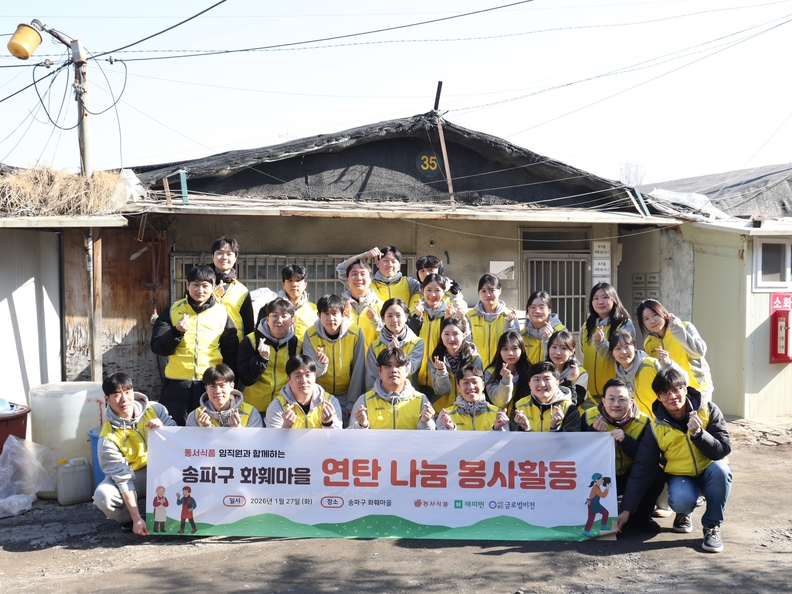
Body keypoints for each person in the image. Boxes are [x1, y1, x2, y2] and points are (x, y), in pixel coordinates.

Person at [617, 367, 732, 553]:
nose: (672, 396)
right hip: (681, 476)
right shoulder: (656, 427)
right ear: (658, 397)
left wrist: (699, 434)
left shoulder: (708, 410)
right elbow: (642, 468)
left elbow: (723, 449)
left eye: (676, 389)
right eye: (664, 392)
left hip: (710, 469)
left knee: (721, 471)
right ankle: (683, 512)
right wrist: (626, 510)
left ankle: (712, 526)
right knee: (680, 500)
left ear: (685, 389)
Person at [151, 264, 239, 425]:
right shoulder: (172, 311)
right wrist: (176, 332)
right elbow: (158, 347)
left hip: (210, 385)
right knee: (174, 429)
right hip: (176, 383)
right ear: (187, 285)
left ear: (213, 287)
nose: (200, 290)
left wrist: (227, 383)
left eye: (205, 286)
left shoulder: (222, 313)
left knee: (207, 430)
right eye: (195, 285)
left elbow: (231, 352)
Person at [93, 372, 177, 535]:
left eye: (127, 392)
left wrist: (164, 428)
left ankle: (173, 513)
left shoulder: (155, 409)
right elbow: (123, 479)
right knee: (103, 496)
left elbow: (179, 440)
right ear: (107, 399)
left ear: (133, 391)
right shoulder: (107, 438)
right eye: (117, 394)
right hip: (134, 476)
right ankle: (134, 519)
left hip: (162, 468)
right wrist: (136, 518)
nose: (124, 399)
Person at [582, 378, 663, 533]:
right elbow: (579, 453)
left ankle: (641, 516)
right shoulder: (588, 417)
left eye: (622, 399)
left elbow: (646, 459)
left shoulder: (644, 421)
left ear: (631, 401)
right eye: (611, 399)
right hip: (601, 477)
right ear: (603, 401)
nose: (616, 404)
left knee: (656, 474)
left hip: (630, 474)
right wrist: (592, 433)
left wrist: (626, 441)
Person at [301, 294, 366, 422]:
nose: (330, 318)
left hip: (347, 394)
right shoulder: (310, 334)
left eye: (335, 313)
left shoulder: (356, 333)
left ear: (343, 314)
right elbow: (309, 372)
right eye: (326, 313)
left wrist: (352, 401)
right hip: (320, 395)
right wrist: (319, 365)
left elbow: (358, 369)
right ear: (318, 315)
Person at [638, 299, 713, 401]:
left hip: (698, 389)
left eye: (655, 314)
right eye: (646, 319)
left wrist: (677, 329)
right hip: (674, 393)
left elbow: (699, 352)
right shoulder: (649, 343)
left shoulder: (684, 327)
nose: (652, 321)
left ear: (664, 313)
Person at [237, 298, 298, 417]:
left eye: (284, 316)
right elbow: (246, 379)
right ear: (267, 319)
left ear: (292, 321)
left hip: (283, 409)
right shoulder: (250, 341)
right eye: (274, 316)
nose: (279, 320)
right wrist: (262, 359)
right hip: (252, 409)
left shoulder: (296, 344)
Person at [349, 347, 436, 430]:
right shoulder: (364, 401)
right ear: (379, 370)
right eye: (388, 366)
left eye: (398, 366)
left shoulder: (421, 400)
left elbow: (431, 437)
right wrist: (362, 426)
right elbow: (351, 437)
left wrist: (425, 422)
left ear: (407, 370)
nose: (394, 370)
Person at [580, 282, 634, 408]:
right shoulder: (586, 326)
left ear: (614, 299)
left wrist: (601, 343)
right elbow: (584, 352)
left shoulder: (624, 324)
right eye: (595, 298)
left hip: (614, 397)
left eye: (605, 297)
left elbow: (620, 357)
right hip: (590, 396)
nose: (600, 302)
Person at [409, 273, 464, 395]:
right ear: (422, 290)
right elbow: (409, 338)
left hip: (440, 374)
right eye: (428, 290)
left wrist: (447, 321)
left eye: (437, 290)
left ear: (444, 292)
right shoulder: (413, 312)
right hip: (415, 373)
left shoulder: (450, 314)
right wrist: (417, 317)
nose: (433, 295)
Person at [609, 329, 674, 419]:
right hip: (646, 424)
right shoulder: (619, 379)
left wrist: (668, 364)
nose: (623, 352)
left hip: (668, 421)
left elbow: (679, 381)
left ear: (635, 347)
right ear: (612, 353)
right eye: (618, 348)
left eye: (627, 346)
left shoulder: (651, 364)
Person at [265, 354, 343, 428]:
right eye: (298, 376)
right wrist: (286, 426)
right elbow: (274, 437)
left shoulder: (330, 402)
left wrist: (327, 423)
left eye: (308, 375)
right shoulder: (277, 406)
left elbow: (336, 436)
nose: (304, 381)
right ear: (288, 379)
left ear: (314, 376)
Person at [365, 298, 424, 390]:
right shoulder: (374, 346)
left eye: (398, 315)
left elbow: (409, 369)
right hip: (380, 395)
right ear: (383, 319)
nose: (394, 320)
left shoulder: (417, 343)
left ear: (406, 317)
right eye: (389, 316)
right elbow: (371, 378)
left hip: (408, 395)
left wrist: (396, 353)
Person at [337, 246, 420, 309]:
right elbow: (341, 269)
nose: (389, 265)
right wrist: (366, 254)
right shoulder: (366, 282)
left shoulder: (410, 283)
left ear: (399, 266)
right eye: (386, 261)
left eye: (393, 261)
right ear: (377, 263)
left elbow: (425, 286)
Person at [429, 317, 483, 412]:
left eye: (455, 334)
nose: (451, 338)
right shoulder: (434, 358)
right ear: (441, 335)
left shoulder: (474, 358)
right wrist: (441, 372)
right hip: (442, 411)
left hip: (468, 411)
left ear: (464, 335)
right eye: (446, 334)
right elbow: (442, 391)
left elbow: (477, 388)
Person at [465, 273, 519, 368]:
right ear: (479, 292)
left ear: (500, 290)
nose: (488, 294)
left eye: (492, 290)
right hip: (476, 370)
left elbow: (515, 345)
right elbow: (466, 345)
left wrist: (509, 324)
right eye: (483, 291)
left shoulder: (509, 316)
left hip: (502, 369)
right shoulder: (470, 316)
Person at [185, 364, 263, 427]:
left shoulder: (250, 412)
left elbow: (255, 441)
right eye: (212, 386)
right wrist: (206, 429)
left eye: (222, 385)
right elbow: (191, 441)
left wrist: (238, 429)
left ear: (232, 386)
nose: (218, 391)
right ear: (206, 389)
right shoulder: (195, 416)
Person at [512, 362, 581, 432]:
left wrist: (555, 427)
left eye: (547, 379)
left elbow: (573, 438)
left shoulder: (569, 407)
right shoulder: (519, 406)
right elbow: (511, 437)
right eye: (536, 380)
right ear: (529, 384)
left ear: (557, 383)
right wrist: (524, 428)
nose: (542, 384)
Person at [436, 365, 509, 431]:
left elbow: (504, 440)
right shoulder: (447, 415)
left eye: (474, 382)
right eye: (466, 383)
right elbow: (440, 440)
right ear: (458, 387)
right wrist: (450, 429)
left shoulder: (497, 413)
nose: (471, 387)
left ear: (483, 385)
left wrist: (497, 429)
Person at [210, 236, 254, 341]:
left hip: (234, 345)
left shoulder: (242, 291)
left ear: (235, 258)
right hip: (206, 344)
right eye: (220, 253)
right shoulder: (200, 285)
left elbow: (249, 325)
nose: (224, 257)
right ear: (212, 257)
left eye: (229, 254)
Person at [338, 259, 383, 349]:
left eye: (363, 274)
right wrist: (345, 317)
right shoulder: (338, 305)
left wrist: (375, 320)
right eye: (354, 274)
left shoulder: (381, 306)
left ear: (370, 279)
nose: (358, 278)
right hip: (345, 357)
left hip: (373, 357)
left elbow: (388, 336)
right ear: (347, 279)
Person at [484, 331, 532, 412]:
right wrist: (505, 381)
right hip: (498, 418)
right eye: (505, 349)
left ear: (522, 350)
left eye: (515, 348)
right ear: (499, 351)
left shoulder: (530, 372)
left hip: (523, 417)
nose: (510, 353)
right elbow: (499, 403)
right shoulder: (490, 372)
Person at [521, 290, 567, 364]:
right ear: (528, 310)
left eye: (541, 307)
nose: (537, 311)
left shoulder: (561, 332)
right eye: (533, 307)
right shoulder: (522, 334)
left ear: (549, 310)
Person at [546, 330, 589, 410]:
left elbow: (575, 402)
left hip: (570, 416)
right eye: (554, 347)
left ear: (572, 352)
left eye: (563, 348)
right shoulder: (542, 371)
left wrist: (569, 381)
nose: (558, 352)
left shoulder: (581, 374)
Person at [280, 264, 318, 350]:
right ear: (283, 284)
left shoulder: (315, 310)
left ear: (305, 284)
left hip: (306, 355)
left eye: (298, 280)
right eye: (290, 280)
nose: (294, 284)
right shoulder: (271, 308)